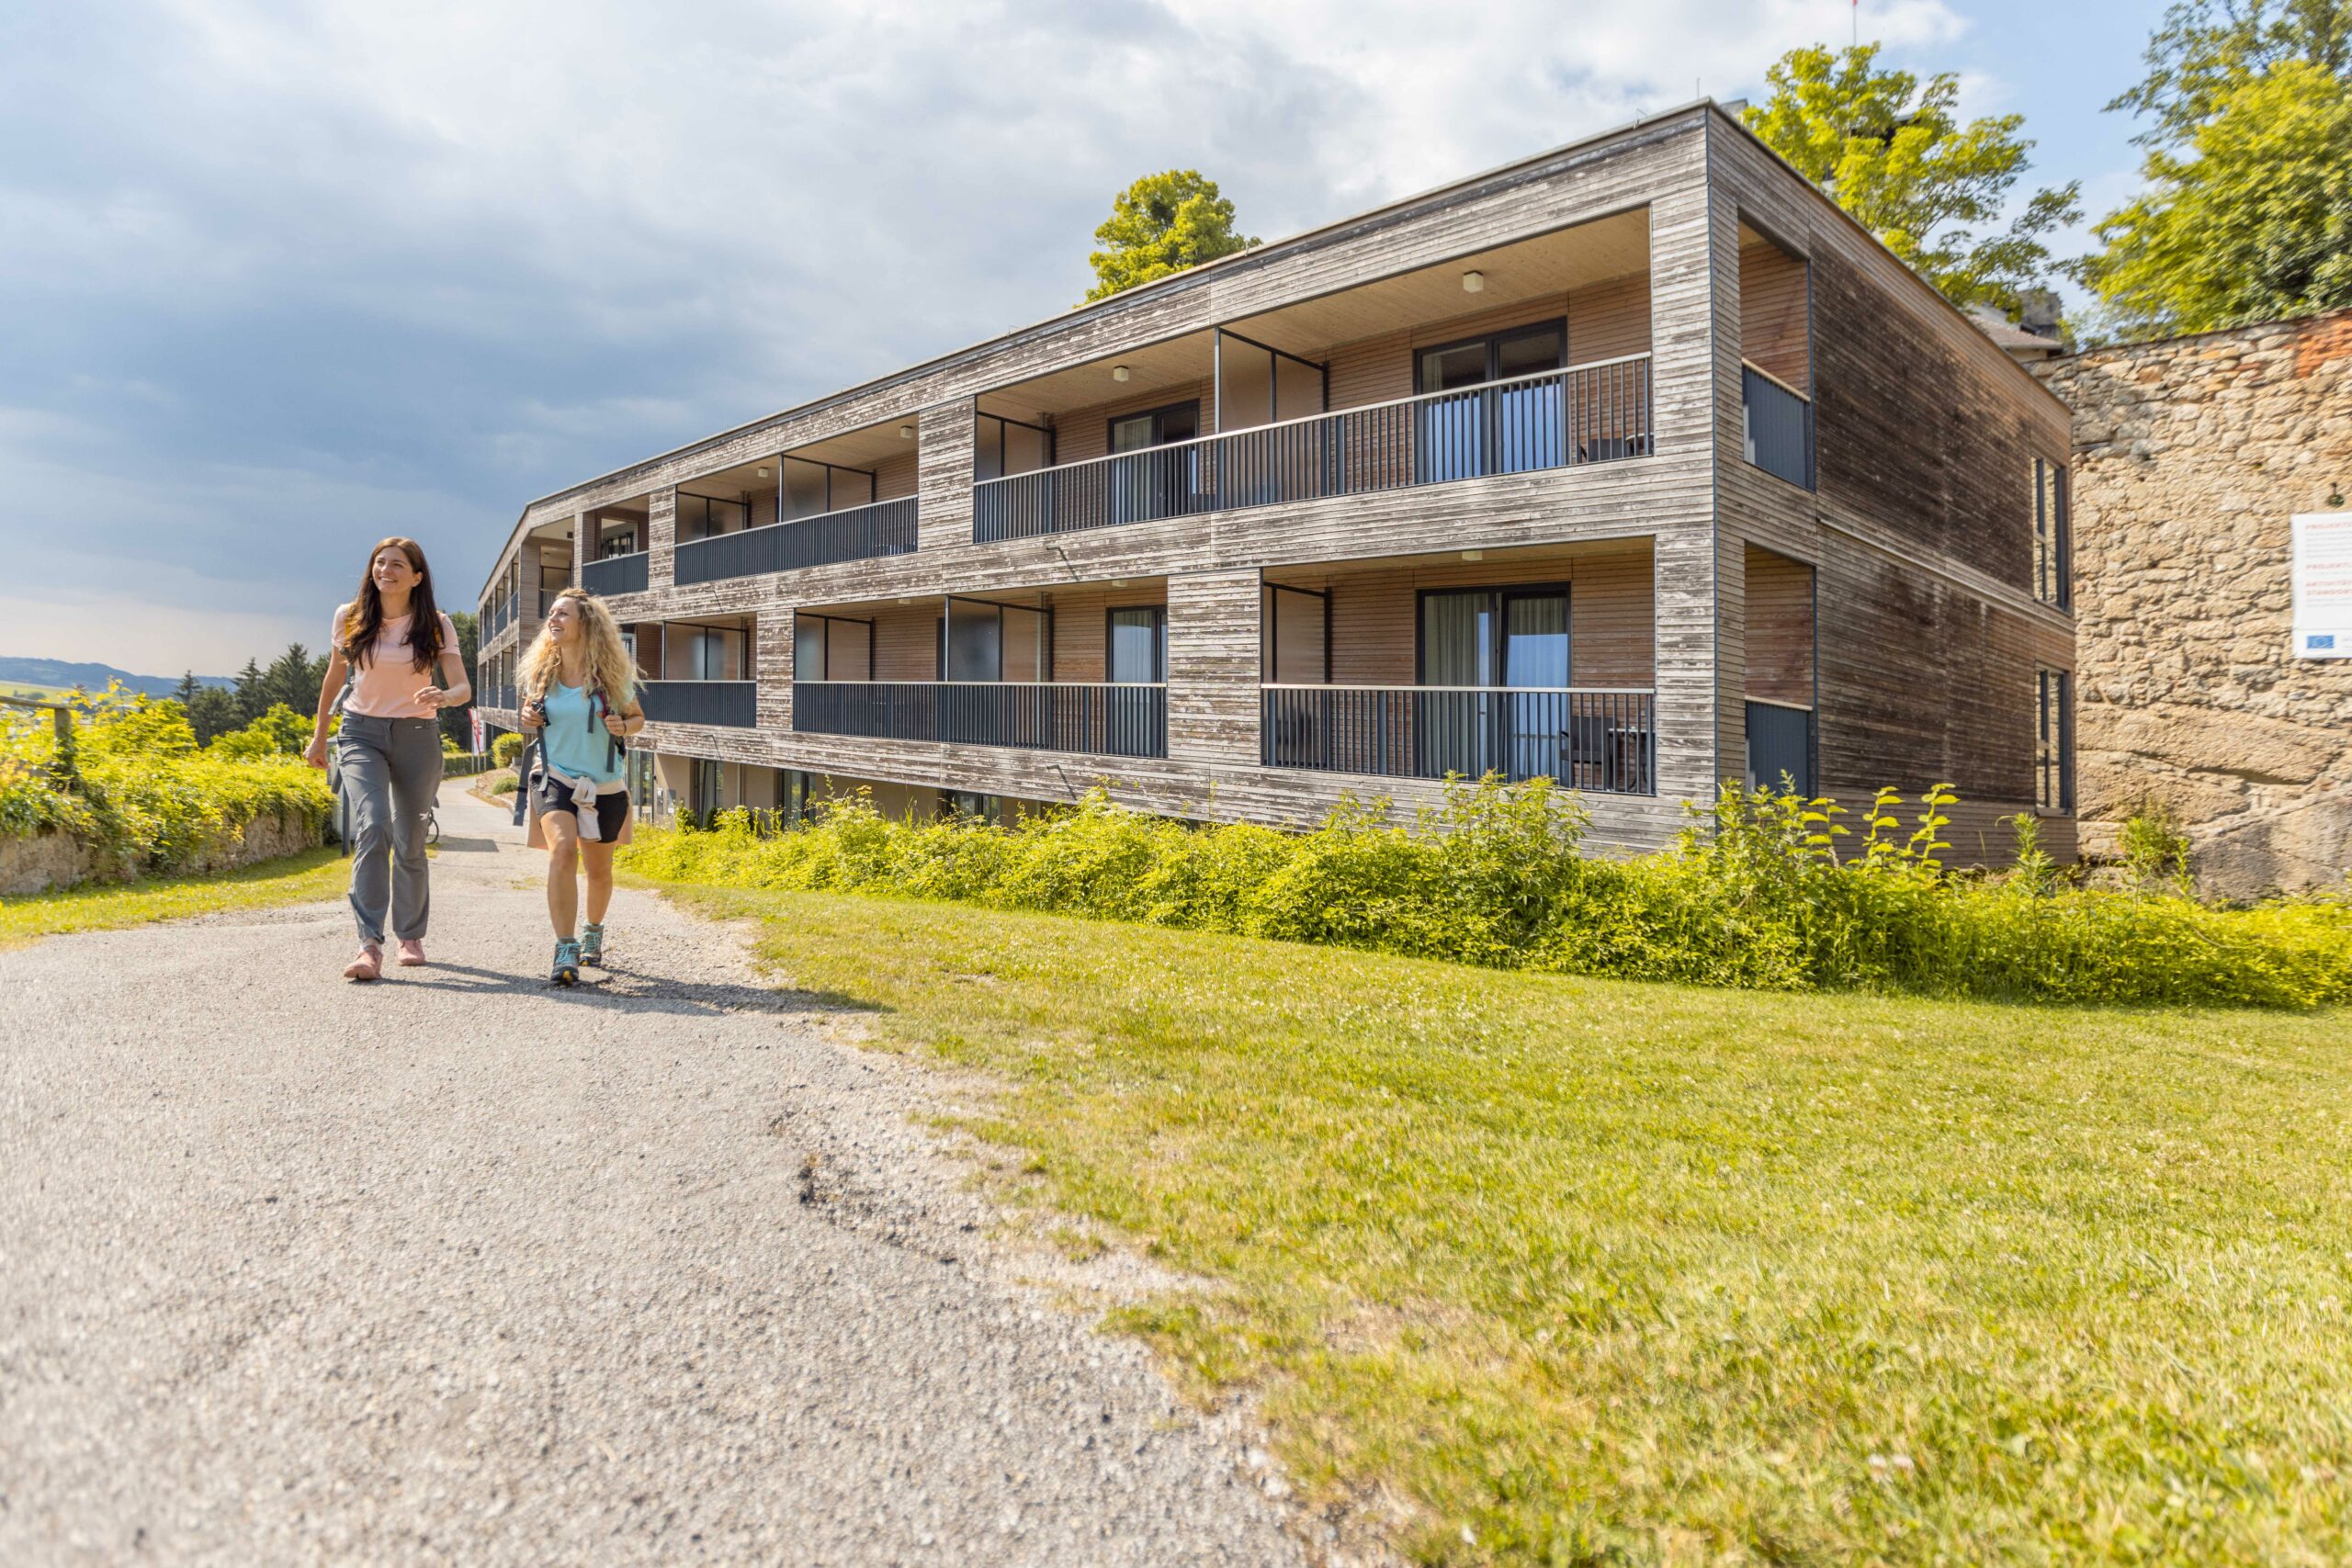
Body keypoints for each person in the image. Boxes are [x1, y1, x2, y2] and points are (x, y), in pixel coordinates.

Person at [304, 537, 469, 981]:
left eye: (397, 564)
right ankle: (368, 945)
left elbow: (461, 688)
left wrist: (445, 695)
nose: (386, 570)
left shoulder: (435, 624)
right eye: (380, 563)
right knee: (373, 823)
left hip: (418, 734)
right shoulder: (350, 616)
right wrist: (319, 737)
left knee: (410, 836)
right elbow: (334, 677)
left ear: (416, 577)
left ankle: (410, 935)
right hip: (360, 732)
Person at [514, 588, 644, 986]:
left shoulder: (610, 679)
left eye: (563, 614)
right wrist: (527, 719)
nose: (553, 620)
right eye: (552, 614)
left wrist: (624, 726)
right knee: (563, 851)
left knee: (599, 871)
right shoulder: (542, 675)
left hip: (603, 783)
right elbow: (528, 718)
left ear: (585, 624)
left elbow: (637, 718)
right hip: (555, 775)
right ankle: (565, 946)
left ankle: (592, 931)